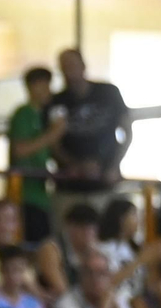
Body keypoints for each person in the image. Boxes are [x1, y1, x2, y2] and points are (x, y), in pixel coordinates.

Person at [47, 49, 132, 215]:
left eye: (72, 65)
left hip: (106, 183)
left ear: (83, 65)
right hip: (69, 187)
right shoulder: (57, 101)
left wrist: (114, 166)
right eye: (64, 67)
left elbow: (127, 131)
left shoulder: (109, 92)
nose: (69, 71)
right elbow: (52, 142)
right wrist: (73, 165)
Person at [11, 67, 65, 241]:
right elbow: (20, 150)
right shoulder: (23, 114)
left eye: (48, 86)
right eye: (41, 86)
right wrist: (53, 134)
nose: (46, 91)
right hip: (25, 194)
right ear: (31, 88)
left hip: (43, 194)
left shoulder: (46, 116)